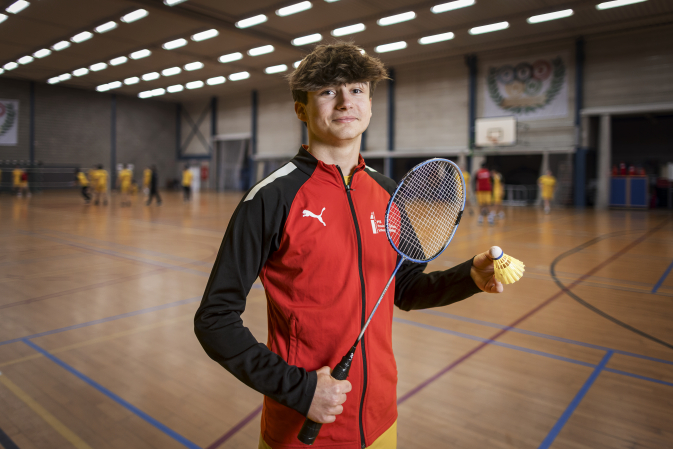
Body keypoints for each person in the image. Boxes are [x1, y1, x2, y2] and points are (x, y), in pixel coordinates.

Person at [194, 42, 504, 449]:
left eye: (357, 90)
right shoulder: (272, 198)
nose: (345, 102)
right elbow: (215, 318)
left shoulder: (389, 193)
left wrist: (469, 278)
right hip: (302, 428)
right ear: (301, 109)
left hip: (380, 419)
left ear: (370, 105)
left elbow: (405, 289)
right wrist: (299, 389)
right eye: (328, 91)